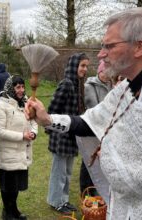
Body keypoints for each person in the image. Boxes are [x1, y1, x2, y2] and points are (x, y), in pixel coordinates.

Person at [26, 8, 142, 219]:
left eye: (109, 46)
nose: (101, 54)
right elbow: (91, 122)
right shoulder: (125, 89)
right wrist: (47, 119)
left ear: (140, 46)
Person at [46, 52, 90, 214]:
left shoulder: (78, 86)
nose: (85, 69)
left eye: (86, 66)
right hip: (61, 136)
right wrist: (52, 129)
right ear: (74, 66)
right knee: (59, 171)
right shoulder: (66, 84)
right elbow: (52, 109)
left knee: (68, 171)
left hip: (72, 135)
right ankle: (56, 201)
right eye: (82, 65)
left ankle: (63, 200)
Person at [0, 75, 38, 220]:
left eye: (22, 86)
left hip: (22, 152)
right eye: (17, 87)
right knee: (8, 187)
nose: (21, 90)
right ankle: (7, 212)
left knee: (16, 186)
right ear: (10, 88)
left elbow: (34, 121)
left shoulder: (26, 102)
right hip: (8, 152)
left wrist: (33, 132)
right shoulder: (1, 105)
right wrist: (22, 135)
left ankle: (14, 210)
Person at [79, 60, 112, 195]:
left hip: (105, 130)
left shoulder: (111, 85)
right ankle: (85, 193)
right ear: (100, 71)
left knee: (100, 162)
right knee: (88, 161)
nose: (108, 74)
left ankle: (97, 192)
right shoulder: (89, 86)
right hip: (91, 129)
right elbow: (94, 107)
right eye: (106, 71)